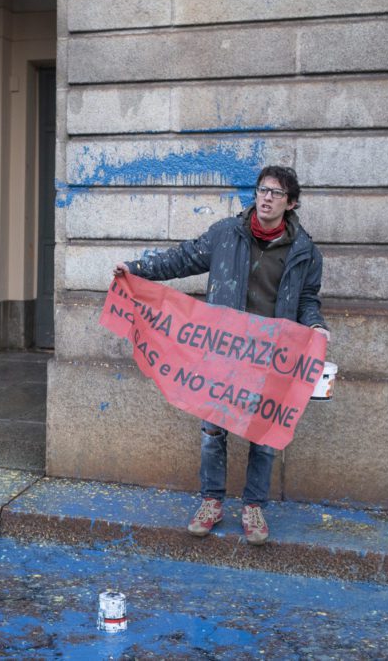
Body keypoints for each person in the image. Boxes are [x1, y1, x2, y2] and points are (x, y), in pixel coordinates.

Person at [113, 165, 328, 546]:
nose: (266, 197)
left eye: (277, 193)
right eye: (262, 189)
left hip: (271, 356)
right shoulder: (226, 233)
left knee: (264, 435)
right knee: (213, 430)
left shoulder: (305, 251)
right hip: (223, 351)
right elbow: (182, 259)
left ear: (291, 203)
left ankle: (253, 507)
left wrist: (315, 325)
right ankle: (211, 502)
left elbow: (308, 298)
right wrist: (136, 269)